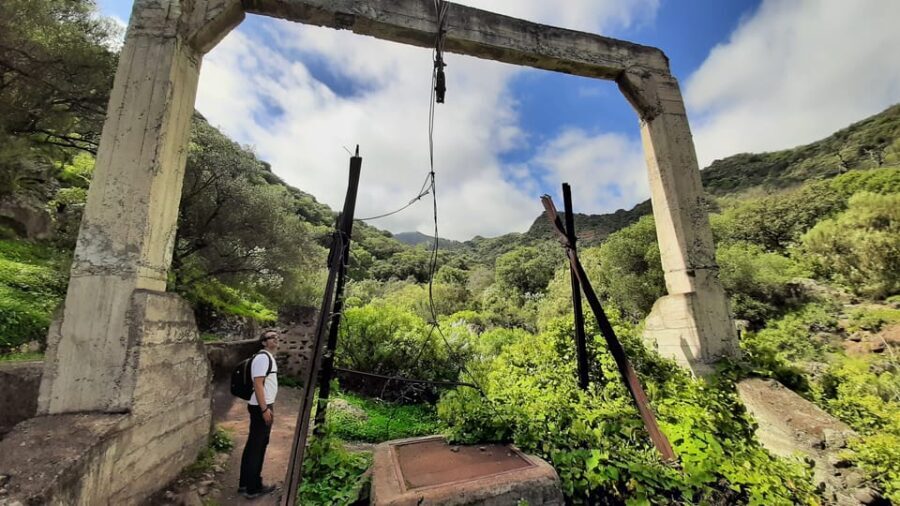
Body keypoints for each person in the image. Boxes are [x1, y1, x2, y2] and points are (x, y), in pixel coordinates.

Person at [238, 330, 280, 498]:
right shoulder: (263, 358)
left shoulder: (266, 357)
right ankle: (253, 488)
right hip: (261, 407)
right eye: (271, 337)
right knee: (258, 446)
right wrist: (264, 409)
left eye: (277, 336)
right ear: (263, 342)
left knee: (253, 445)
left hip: (261, 406)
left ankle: (245, 483)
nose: (276, 339)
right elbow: (258, 384)